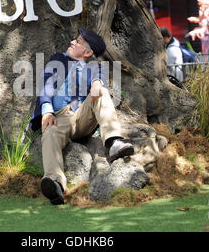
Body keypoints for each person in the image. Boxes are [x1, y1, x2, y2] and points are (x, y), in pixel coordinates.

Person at [29, 28, 134, 205]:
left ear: (88, 52)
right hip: (59, 117)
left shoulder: (94, 67)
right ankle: (55, 183)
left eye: (78, 41)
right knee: (50, 133)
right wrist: (47, 109)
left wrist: (96, 84)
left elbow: (97, 77)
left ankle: (114, 141)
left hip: (82, 117)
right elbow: (46, 83)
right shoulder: (58, 60)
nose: (72, 42)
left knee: (101, 92)